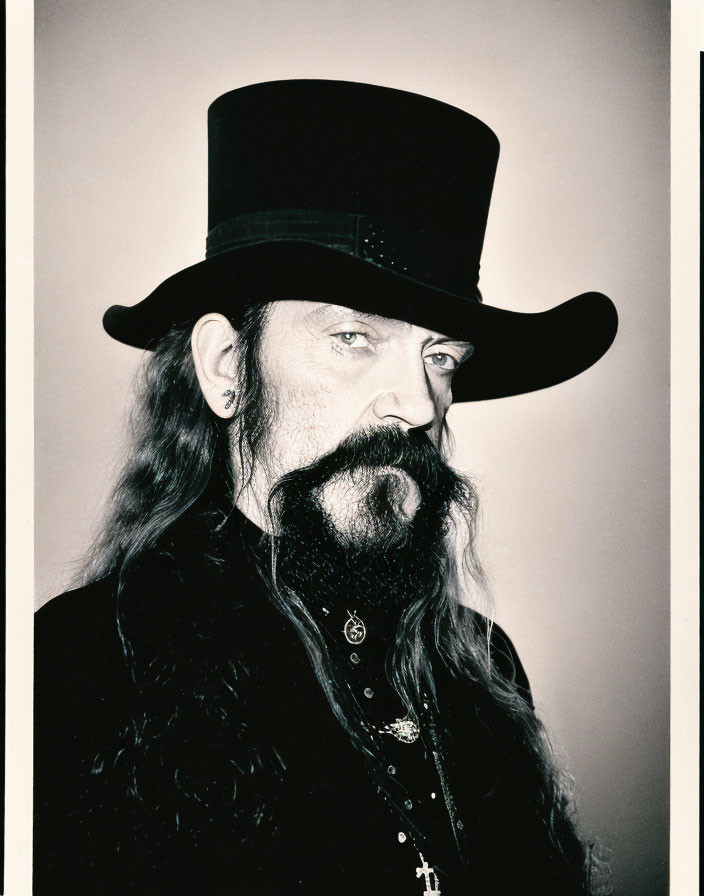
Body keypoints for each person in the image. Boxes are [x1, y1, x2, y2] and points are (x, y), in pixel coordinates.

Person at [34, 80, 618, 895]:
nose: (417, 405)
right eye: (352, 337)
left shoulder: (486, 666)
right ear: (228, 368)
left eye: (441, 357)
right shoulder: (76, 671)